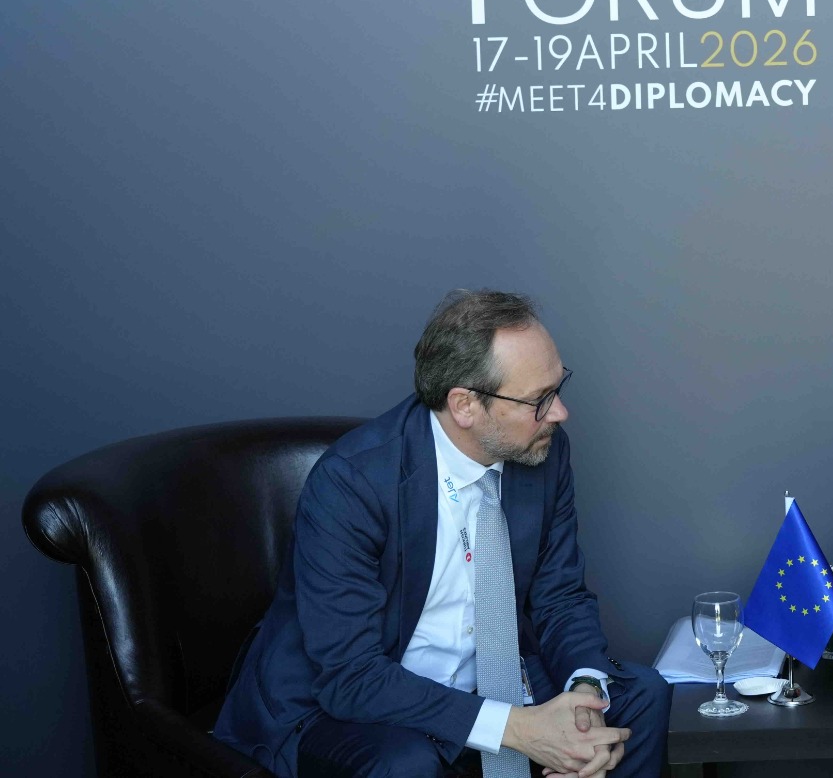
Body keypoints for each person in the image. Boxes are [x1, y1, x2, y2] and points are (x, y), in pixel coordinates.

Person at [215, 290, 669, 778]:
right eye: (539, 400)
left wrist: (585, 697)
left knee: (639, 697)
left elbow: (561, 596)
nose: (559, 413)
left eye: (558, 388)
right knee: (404, 763)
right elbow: (351, 676)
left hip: (484, 678)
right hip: (344, 704)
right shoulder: (352, 482)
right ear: (465, 405)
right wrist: (518, 729)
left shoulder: (543, 451)